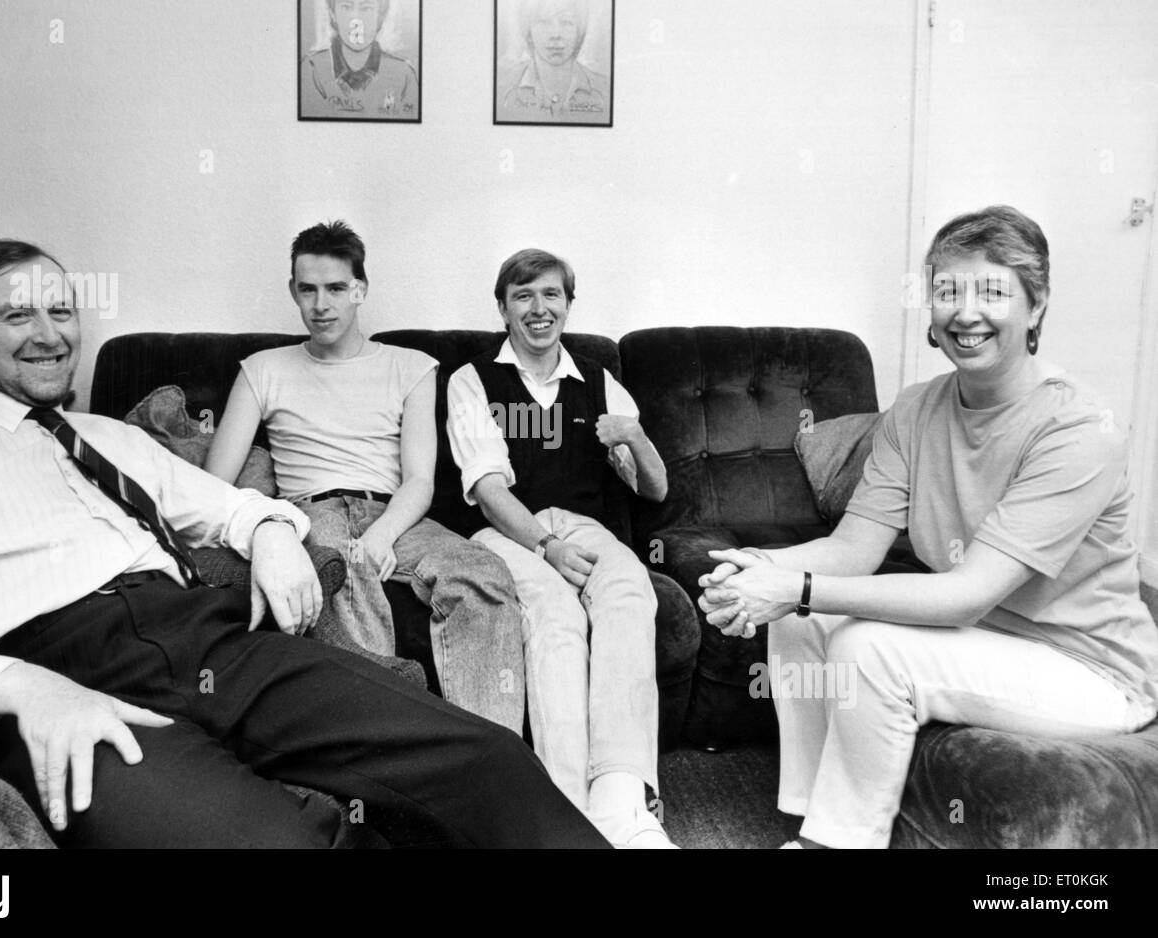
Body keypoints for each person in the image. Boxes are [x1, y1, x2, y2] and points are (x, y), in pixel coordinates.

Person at [0, 238, 608, 849]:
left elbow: (229, 505)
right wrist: (18, 687)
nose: (51, 335)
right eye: (19, 317)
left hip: (216, 639)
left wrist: (276, 532)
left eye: (62, 310)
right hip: (62, 675)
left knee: (486, 760)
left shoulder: (106, 436)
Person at [699, 205, 1158, 849]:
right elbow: (852, 548)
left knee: (867, 649)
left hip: (1090, 671)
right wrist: (760, 567)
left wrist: (797, 587)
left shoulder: (1078, 429)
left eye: (993, 291)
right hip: (987, 638)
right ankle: (811, 819)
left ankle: (841, 843)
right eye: (947, 291)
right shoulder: (916, 407)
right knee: (802, 621)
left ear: (1037, 304)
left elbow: (966, 593)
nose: (965, 313)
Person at [204, 221, 526, 732]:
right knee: (337, 572)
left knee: (482, 572)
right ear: (293, 291)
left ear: (360, 289)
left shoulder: (413, 366)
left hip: (394, 512)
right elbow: (214, 483)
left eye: (335, 288)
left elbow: (420, 480)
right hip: (310, 512)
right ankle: (383, 750)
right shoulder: (261, 368)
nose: (320, 304)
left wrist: (381, 535)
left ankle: (489, 758)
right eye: (307, 289)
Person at [446, 248, 674, 848]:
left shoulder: (599, 382)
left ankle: (621, 804)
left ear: (569, 305)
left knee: (629, 590)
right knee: (556, 614)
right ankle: (565, 812)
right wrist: (546, 547)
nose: (539, 308)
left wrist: (635, 437)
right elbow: (490, 491)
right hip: (509, 531)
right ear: (503, 308)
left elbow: (655, 489)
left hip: (586, 525)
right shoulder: (472, 381)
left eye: (551, 295)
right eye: (523, 296)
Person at [301, 0, 419, 119]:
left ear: (380, 16)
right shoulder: (311, 69)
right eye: (346, 7)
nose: (356, 21)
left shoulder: (404, 74)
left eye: (366, 8)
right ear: (333, 14)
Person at [497, 0, 609, 124]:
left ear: (579, 30)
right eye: (544, 22)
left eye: (566, 23)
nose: (555, 35)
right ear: (529, 30)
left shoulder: (605, 90)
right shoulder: (502, 88)